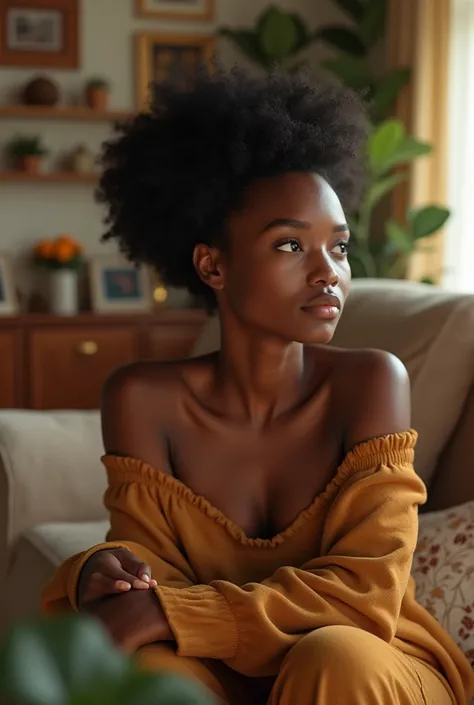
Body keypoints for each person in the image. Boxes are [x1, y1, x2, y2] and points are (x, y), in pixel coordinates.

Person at [42, 69, 474, 705]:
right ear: (213, 264)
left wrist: (177, 615)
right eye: (292, 245)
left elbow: (366, 592)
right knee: (148, 677)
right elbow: (149, 570)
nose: (329, 274)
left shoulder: (373, 382)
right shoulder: (142, 398)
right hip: (222, 671)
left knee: (333, 655)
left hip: (369, 665)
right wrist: (98, 576)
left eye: (340, 247)